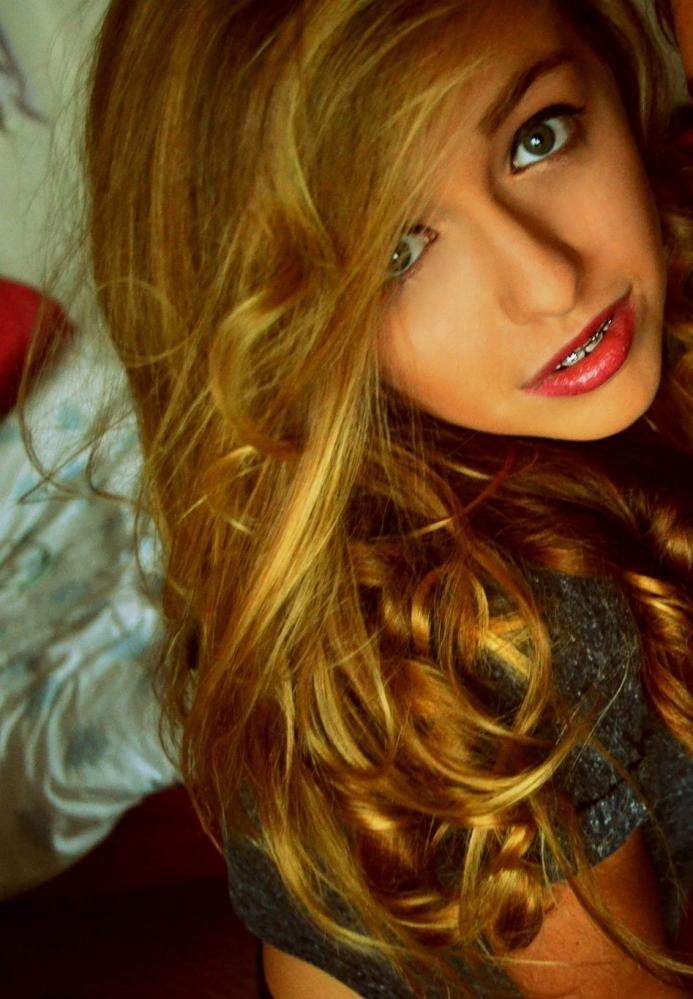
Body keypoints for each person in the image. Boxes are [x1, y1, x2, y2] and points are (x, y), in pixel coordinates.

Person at [84, 0, 693, 995]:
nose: (548, 282)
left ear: (612, 65)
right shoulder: (503, 637)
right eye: (396, 252)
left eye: (536, 138)